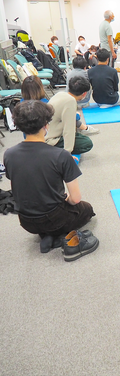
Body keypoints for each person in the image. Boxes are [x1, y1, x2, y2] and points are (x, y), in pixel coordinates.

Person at [3, 100, 98, 258]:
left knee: (50, 210)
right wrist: (65, 198)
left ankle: (48, 235)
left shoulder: (9, 154)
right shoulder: (60, 155)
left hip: (25, 221)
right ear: (46, 125)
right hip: (54, 217)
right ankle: (57, 236)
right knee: (87, 209)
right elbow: (75, 199)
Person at [46, 76, 95, 155]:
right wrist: (67, 153)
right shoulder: (71, 101)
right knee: (87, 143)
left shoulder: (60, 94)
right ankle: (54, 151)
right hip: (52, 140)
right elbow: (69, 129)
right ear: (84, 94)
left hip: (46, 133)